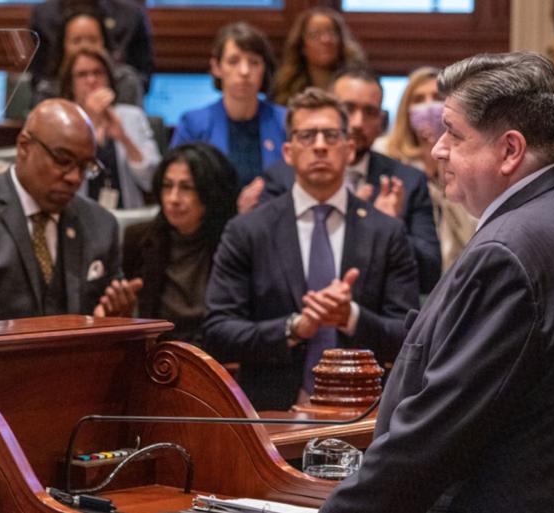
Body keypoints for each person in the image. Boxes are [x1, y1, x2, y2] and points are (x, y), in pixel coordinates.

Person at [320, 53, 554, 513]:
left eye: (454, 134)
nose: (438, 148)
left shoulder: (509, 251)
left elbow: (432, 437)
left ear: (510, 150)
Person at [203, 88, 419, 411]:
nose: (319, 146)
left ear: (349, 149)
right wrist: (293, 328)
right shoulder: (248, 230)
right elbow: (218, 331)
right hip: (270, 416)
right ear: (288, 152)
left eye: (331, 136)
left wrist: (351, 317)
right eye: (307, 136)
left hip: (363, 417)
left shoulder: (386, 232)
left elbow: (409, 336)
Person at [0, 98, 143, 323]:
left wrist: (115, 318)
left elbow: (107, 318)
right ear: (24, 147)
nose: (74, 177)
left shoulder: (101, 224)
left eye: (85, 166)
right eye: (63, 160)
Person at [263, 67, 440, 293]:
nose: (357, 122)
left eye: (369, 112)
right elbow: (263, 263)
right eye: (348, 109)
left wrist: (390, 228)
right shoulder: (283, 177)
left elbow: (431, 273)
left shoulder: (406, 181)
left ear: (380, 121)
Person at [123, 143, 238, 344]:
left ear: (211, 192)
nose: (173, 198)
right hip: (155, 357)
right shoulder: (139, 239)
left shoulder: (233, 242)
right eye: (167, 186)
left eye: (186, 188)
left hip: (215, 359)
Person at [170, 22, 285, 214]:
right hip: (211, 229)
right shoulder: (194, 123)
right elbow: (178, 187)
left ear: (264, 68)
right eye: (234, 61)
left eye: (254, 62)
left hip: (275, 225)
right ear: (216, 67)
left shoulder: (284, 121)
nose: (244, 71)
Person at [374, 66, 477, 271]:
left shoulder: (467, 156)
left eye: (436, 97)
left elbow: (470, 230)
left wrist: (444, 169)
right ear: (406, 109)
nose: (429, 106)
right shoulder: (385, 154)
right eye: (419, 100)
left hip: (458, 267)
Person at [59, 46, 159, 210]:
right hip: (76, 217)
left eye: (98, 72)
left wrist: (124, 139)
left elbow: (151, 180)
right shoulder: (63, 121)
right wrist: (89, 123)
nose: (91, 80)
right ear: (70, 85)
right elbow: (62, 179)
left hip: (126, 218)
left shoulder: (132, 117)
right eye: (82, 75)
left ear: (109, 79)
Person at [29, 0, 152, 93]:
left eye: (92, 40)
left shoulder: (130, 15)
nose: (85, 47)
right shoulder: (46, 89)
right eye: (76, 40)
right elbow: (38, 75)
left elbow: (143, 77)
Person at [271, 7, 365, 106]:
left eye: (332, 33)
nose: (326, 40)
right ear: (302, 46)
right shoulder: (283, 90)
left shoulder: (357, 86)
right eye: (315, 35)